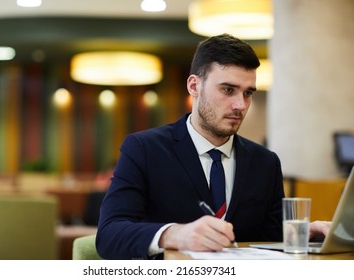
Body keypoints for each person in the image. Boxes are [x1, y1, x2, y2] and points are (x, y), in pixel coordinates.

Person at [96, 34, 330, 260]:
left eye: (248, 93)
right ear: (194, 86)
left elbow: (268, 238)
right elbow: (109, 235)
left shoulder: (265, 162)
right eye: (228, 90)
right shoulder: (144, 149)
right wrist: (174, 234)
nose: (240, 105)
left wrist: (301, 233)